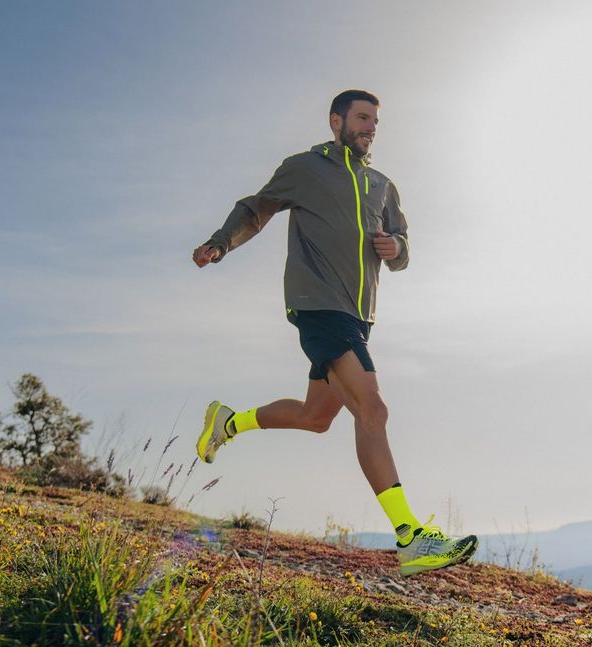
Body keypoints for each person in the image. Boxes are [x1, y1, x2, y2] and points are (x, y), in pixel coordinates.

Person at [191, 89, 477, 576]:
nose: (371, 128)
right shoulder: (306, 167)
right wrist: (221, 243)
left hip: (359, 315)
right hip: (318, 304)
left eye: (375, 121)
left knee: (315, 416)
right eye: (362, 118)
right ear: (336, 121)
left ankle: (228, 422)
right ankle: (410, 537)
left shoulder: (383, 185)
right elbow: (256, 209)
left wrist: (396, 248)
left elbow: (403, 247)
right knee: (373, 407)